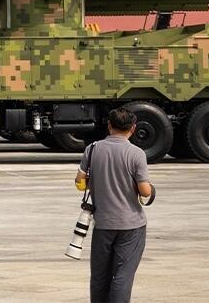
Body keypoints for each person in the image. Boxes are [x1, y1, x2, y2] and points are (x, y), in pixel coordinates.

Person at [76, 108, 154, 303]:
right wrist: (152, 190)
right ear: (133, 128)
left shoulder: (92, 149)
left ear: (109, 125)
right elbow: (144, 191)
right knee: (122, 276)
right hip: (131, 225)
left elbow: (79, 182)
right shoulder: (136, 153)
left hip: (103, 223)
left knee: (99, 277)